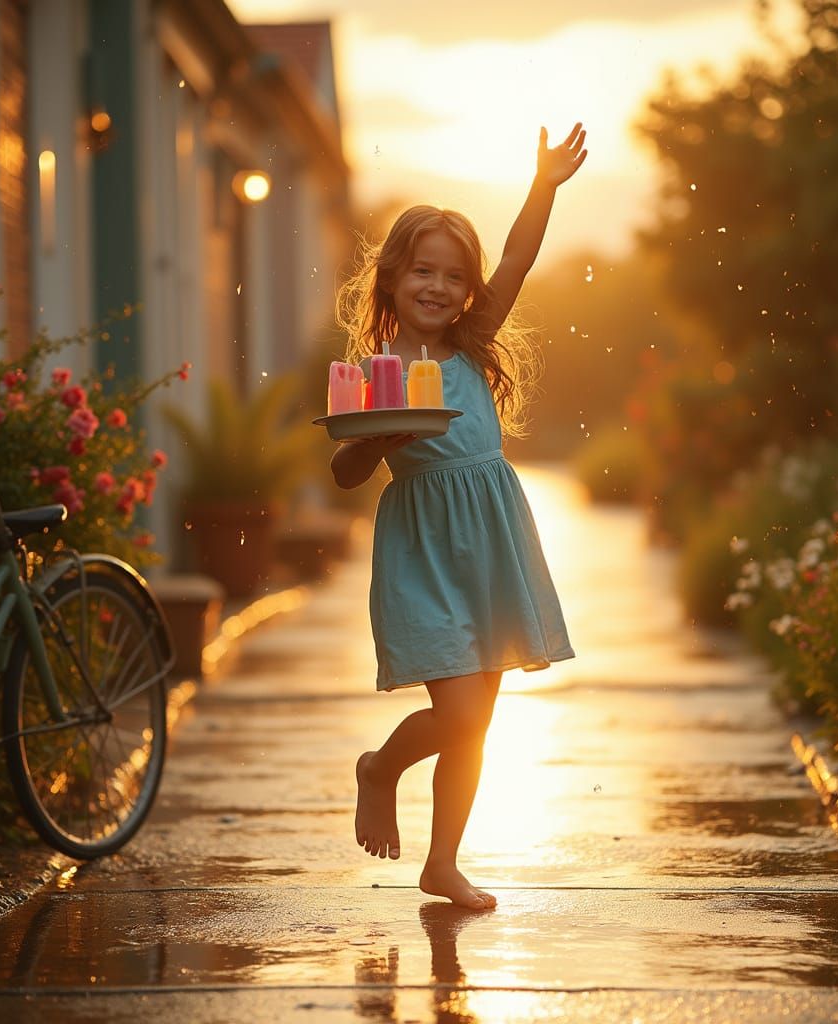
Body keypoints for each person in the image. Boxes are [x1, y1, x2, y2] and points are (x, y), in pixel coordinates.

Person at [331, 124, 587, 911]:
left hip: (491, 545)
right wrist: (375, 444)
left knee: (476, 725)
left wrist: (542, 185)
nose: (437, 287)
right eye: (422, 270)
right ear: (391, 278)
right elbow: (344, 471)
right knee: (462, 712)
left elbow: (517, 258)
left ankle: (442, 862)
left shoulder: (472, 346)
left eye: (452, 275)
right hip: (424, 553)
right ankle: (381, 768)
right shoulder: (374, 371)